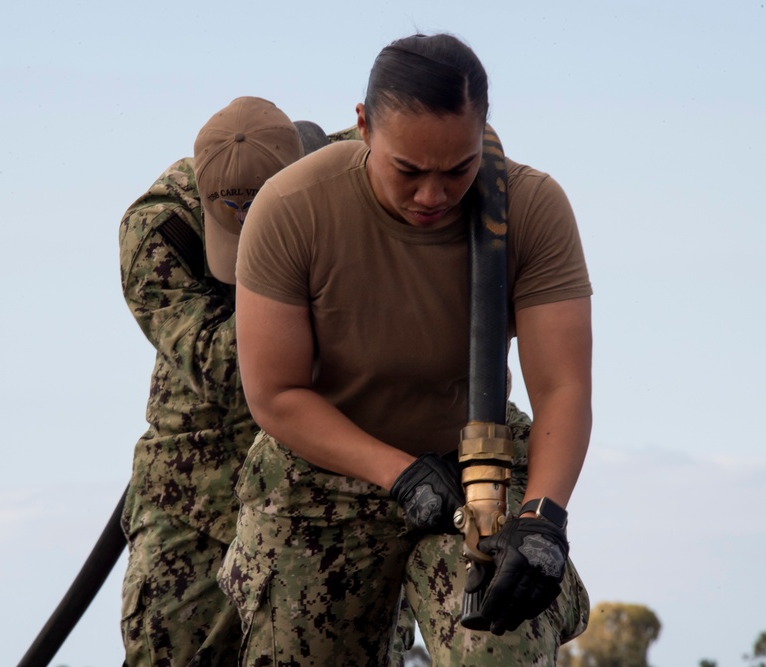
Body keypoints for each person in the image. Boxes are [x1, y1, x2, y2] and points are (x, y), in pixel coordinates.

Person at [220, 33, 592, 666]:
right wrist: (397, 472)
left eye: (457, 170)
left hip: (480, 471)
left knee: (498, 649)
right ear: (362, 126)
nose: (433, 196)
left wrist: (542, 520)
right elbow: (276, 394)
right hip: (324, 473)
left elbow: (562, 387)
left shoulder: (531, 207)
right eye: (409, 171)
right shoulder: (290, 209)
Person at [117, 96, 327, 667]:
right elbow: (238, 369)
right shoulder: (161, 230)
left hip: (323, 498)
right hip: (193, 501)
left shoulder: (351, 181)